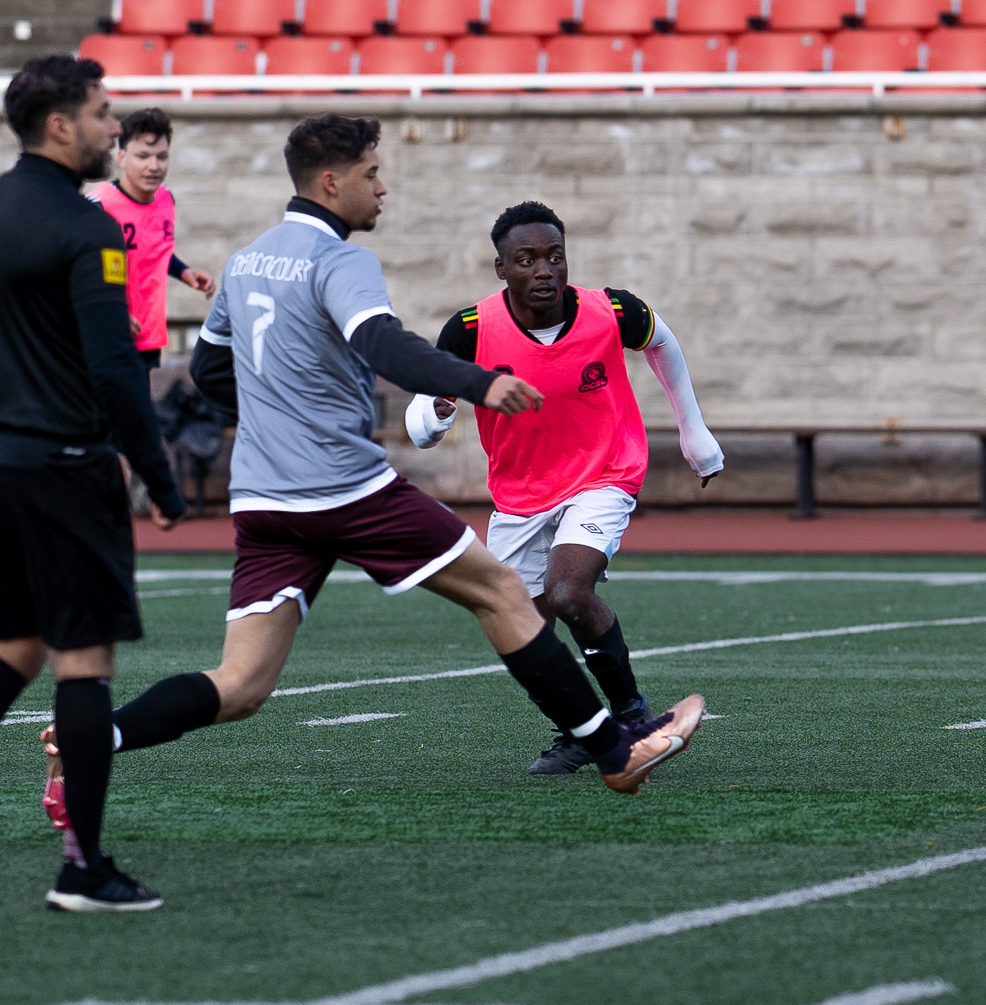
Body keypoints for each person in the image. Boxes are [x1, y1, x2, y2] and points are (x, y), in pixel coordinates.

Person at [42, 115, 703, 867]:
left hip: (264, 501)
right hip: (342, 488)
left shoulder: (248, 261)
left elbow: (210, 374)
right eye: (371, 173)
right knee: (504, 595)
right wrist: (478, 381)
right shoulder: (341, 261)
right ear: (333, 181)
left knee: (241, 684)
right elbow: (385, 345)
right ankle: (616, 748)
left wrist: (277, 416)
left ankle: (94, 736)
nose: (381, 187)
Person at [406, 201, 724, 774]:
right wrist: (436, 412)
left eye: (555, 256)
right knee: (522, 627)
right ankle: (578, 732)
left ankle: (632, 716)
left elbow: (664, 345)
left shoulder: (612, 310)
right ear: (501, 267)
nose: (545, 269)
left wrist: (693, 432)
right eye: (527, 259)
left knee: (569, 592)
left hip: (606, 474)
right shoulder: (471, 329)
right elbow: (422, 420)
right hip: (521, 495)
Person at [0, 55, 188, 911]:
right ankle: (83, 869)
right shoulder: (88, 230)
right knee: (82, 665)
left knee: (16, 647)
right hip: (65, 466)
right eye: (103, 113)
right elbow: (116, 371)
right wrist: (158, 473)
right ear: (61, 124)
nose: (116, 129)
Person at [88, 108, 215, 369]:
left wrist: (183, 271)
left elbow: (154, 250)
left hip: (147, 335)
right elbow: (81, 270)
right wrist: (111, 310)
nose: (154, 166)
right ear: (122, 158)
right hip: (107, 335)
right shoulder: (99, 206)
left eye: (161, 156)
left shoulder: (166, 199)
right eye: (143, 156)